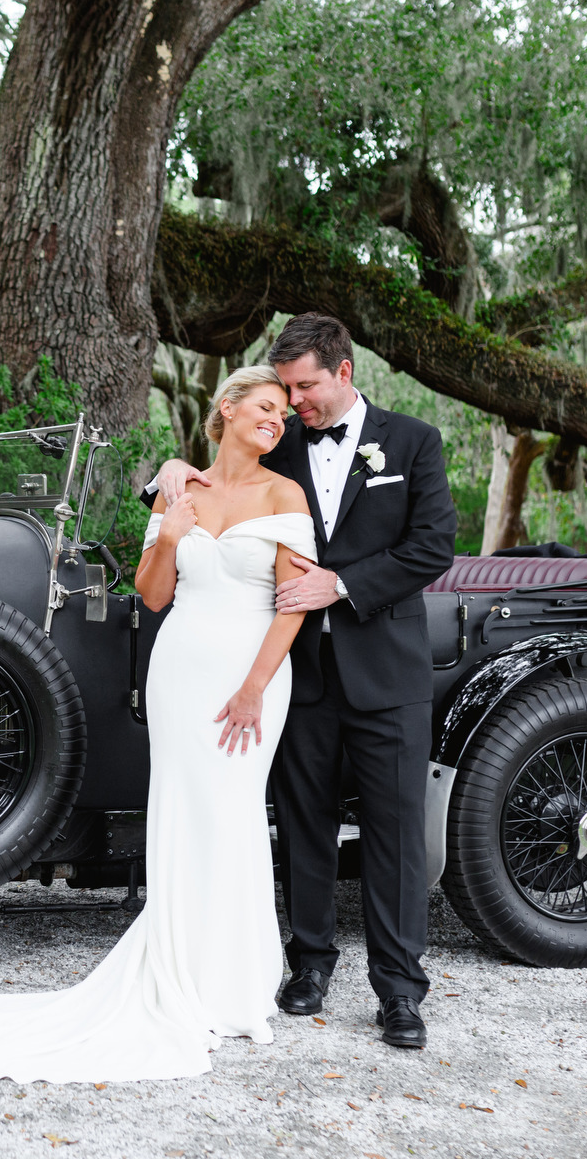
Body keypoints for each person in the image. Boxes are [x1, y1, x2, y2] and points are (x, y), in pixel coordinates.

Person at [0, 366, 317, 1082]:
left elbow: (295, 602)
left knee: (234, 810)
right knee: (181, 811)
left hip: (251, 674)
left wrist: (253, 687)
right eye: (266, 407)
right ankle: (183, 967)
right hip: (182, 669)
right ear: (228, 408)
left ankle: (236, 982)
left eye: (283, 413)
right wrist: (168, 533)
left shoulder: (285, 494)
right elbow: (153, 595)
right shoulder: (181, 488)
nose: (276, 420)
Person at [148, 313, 457, 1049]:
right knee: (305, 828)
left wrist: (341, 585)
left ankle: (400, 991)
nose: (294, 404)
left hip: (385, 671)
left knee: (395, 834)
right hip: (298, 673)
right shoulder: (278, 444)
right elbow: (202, 492)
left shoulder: (413, 442)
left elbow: (432, 547)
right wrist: (161, 473)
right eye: (284, 390)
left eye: (306, 387)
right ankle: (309, 964)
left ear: (343, 373)